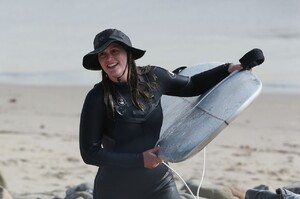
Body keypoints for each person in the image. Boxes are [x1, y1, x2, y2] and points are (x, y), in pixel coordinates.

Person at [79, 28, 244, 199]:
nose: (109, 59)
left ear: (128, 54)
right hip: (115, 188)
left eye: (114, 51)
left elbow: (193, 85)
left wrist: (228, 69)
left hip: (158, 183)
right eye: (103, 55)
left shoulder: (154, 78)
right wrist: (139, 160)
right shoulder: (97, 98)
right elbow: (90, 153)